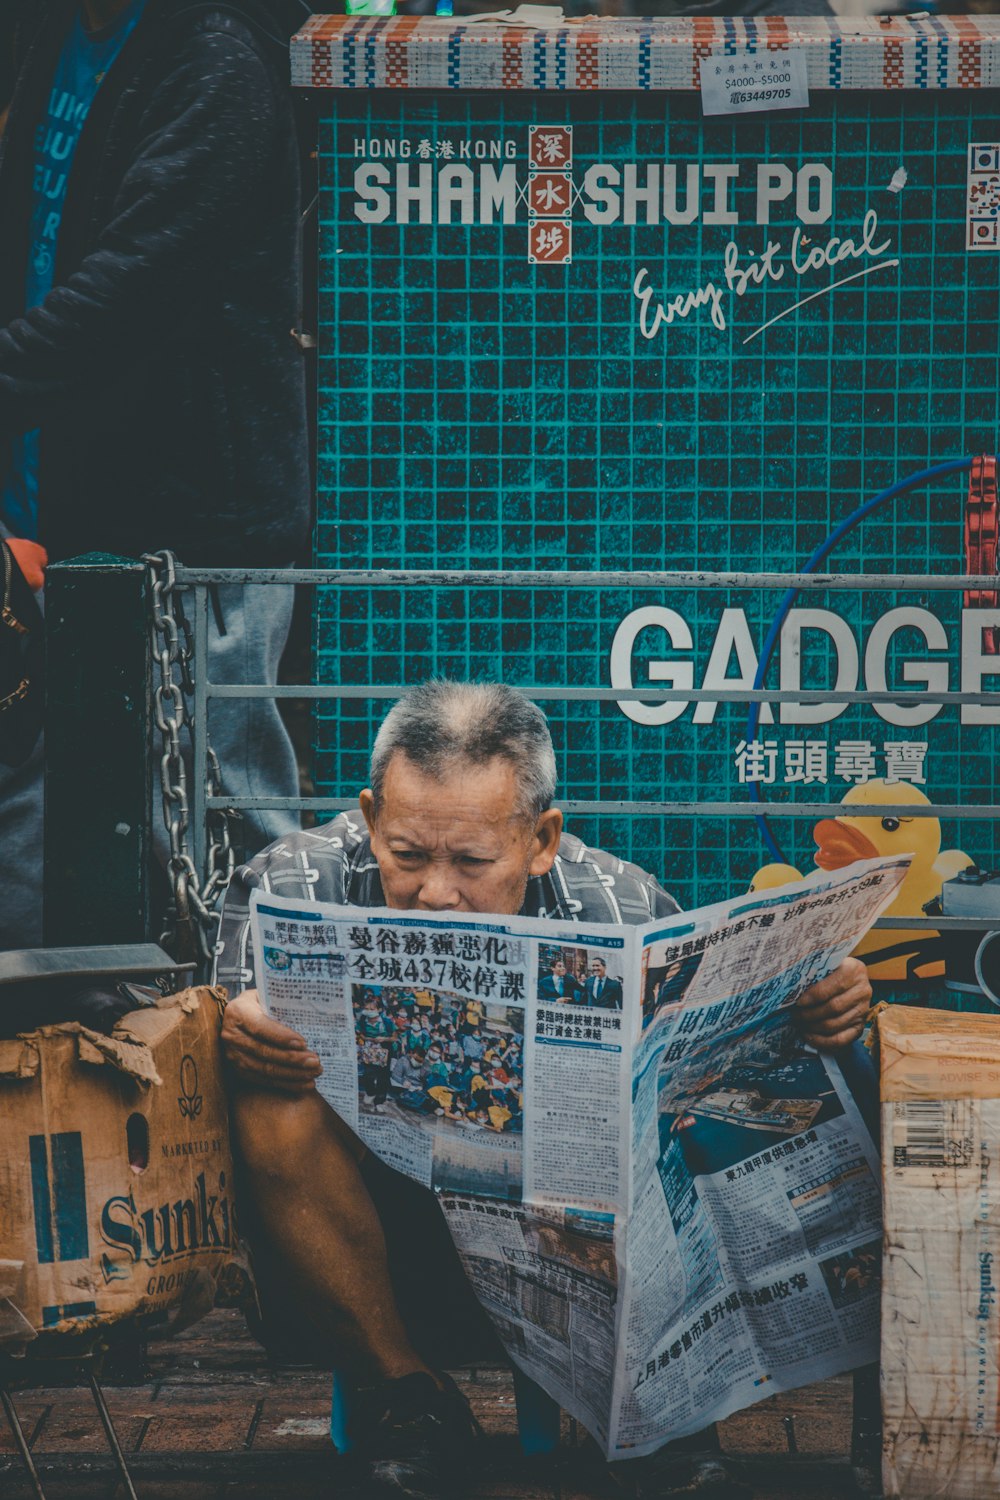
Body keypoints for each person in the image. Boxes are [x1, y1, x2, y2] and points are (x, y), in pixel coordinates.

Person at [216, 681, 872, 1500]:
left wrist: (815, 998)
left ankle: (661, 1410)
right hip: (373, 1245)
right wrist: (236, 1024)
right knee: (267, 1090)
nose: (436, 892)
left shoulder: (622, 906)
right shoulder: (286, 885)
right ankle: (405, 1399)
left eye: (473, 862)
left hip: (576, 1248)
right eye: (408, 854)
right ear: (371, 814)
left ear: (541, 839)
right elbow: (212, 1055)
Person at [0, 0, 312, 947]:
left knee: (224, 840)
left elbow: (132, 286)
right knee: (54, 827)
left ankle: (265, 1061)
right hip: (56, 512)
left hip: (195, 526)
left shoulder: (217, 56)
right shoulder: (56, 33)